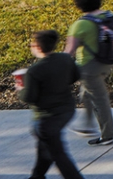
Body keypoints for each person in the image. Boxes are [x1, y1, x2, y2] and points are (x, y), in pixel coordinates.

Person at [19, 29, 85, 179]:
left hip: (47, 118)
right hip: (67, 110)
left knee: (58, 155)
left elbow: (29, 97)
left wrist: (21, 88)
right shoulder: (65, 59)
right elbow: (75, 76)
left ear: (38, 47)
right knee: (45, 148)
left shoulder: (34, 71)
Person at [64, 0, 113, 146]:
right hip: (107, 62)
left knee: (100, 100)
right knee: (86, 94)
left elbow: (69, 51)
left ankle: (107, 135)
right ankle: (87, 123)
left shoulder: (80, 25)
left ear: (80, 6)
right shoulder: (109, 16)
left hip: (89, 67)